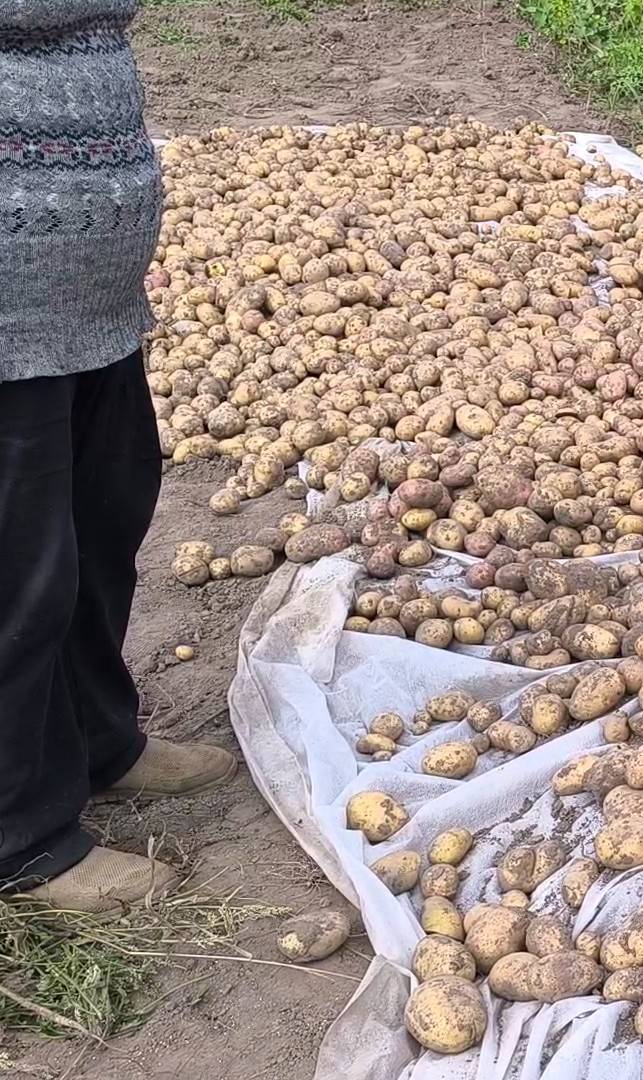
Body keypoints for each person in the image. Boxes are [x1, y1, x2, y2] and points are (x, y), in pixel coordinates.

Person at [1, 0, 235, 912]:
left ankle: (100, 741)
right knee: (18, 578)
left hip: (88, 302)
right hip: (10, 317)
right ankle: (23, 840)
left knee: (102, 529)